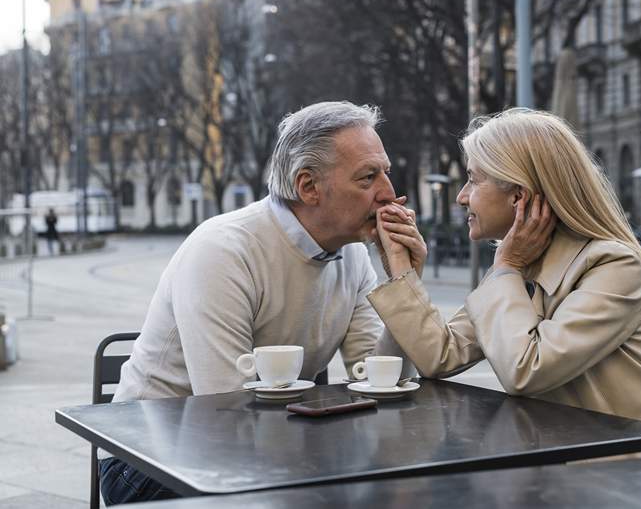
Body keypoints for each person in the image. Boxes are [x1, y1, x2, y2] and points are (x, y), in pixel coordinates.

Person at [99, 101, 416, 505]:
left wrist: (404, 284)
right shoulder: (224, 249)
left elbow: (379, 378)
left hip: (269, 444)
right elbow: (225, 404)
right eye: (368, 177)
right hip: (149, 459)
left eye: (385, 173)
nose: (388, 193)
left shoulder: (351, 253)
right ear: (308, 187)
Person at [369, 108, 641, 460]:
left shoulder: (613, 265)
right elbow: (440, 356)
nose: (462, 196)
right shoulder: (520, 264)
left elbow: (527, 371)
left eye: (474, 180)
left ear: (519, 196)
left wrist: (507, 267)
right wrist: (402, 271)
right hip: (582, 463)